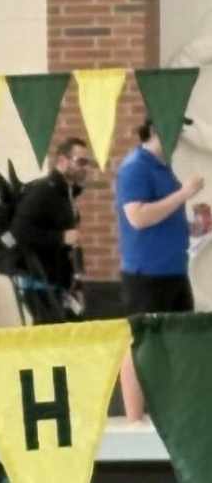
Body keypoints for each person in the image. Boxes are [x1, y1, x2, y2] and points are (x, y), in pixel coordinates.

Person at [115, 116, 208, 423]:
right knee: (141, 343)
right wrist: (184, 194)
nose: (179, 137)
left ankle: (170, 412)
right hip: (147, 273)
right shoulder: (135, 167)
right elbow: (138, 217)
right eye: (175, 129)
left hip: (173, 270)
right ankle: (133, 417)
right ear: (155, 130)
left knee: (177, 342)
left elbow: (164, 217)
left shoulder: (163, 167)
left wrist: (194, 227)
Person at [9, 136, 91, 324]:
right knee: (51, 338)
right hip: (40, 282)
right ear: (62, 161)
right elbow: (19, 231)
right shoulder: (43, 191)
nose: (84, 168)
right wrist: (60, 237)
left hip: (61, 281)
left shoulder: (67, 193)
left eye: (86, 163)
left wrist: (77, 284)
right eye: (80, 162)